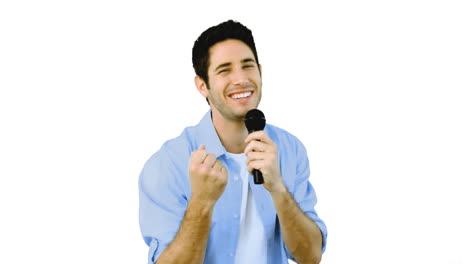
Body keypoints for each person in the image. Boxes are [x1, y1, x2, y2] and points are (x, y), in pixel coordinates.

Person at [139, 20, 327, 264]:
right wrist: (202, 203)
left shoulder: (290, 149)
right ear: (202, 85)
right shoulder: (168, 163)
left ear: (260, 71)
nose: (241, 79)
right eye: (224, 69)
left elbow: (310, 256)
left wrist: (278, 188)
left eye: (247, 66)